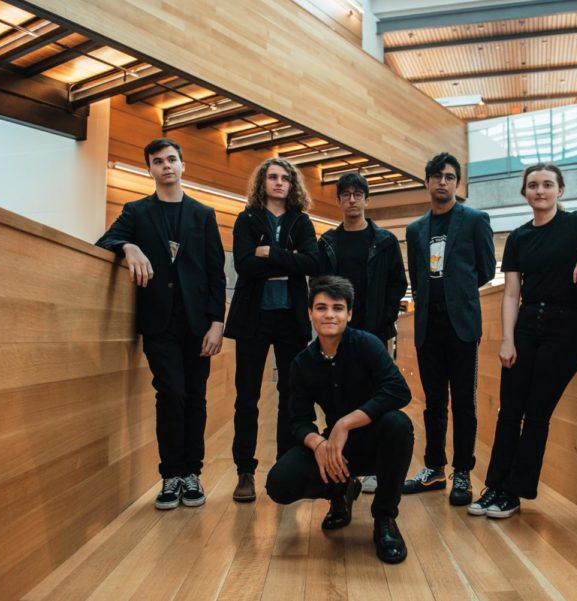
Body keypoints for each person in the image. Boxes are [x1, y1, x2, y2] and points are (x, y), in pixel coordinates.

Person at [468, 163, 577, 519]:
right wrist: (507, 340)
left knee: (536, 414)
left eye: (548, 185)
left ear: (560, 190)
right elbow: (511, 294)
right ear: (525, 193)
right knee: (508, 411)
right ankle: (495, 486)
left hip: (566, 329)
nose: (540, 191)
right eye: (533, 185)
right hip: (527, 327)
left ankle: (514, 493)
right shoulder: (518, 237)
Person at [96, 138, 226, 510]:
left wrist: (217, 323)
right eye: (158, 161)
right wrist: (128, 247)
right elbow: (105, 239)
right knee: (171, 395)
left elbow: (216, 273)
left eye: (172, 159)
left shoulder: (203, 214)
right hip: (158, 323)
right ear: (150, 169)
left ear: (183, 165)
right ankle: (171, 475)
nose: (166, 166)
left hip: (198, 325)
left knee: (195, 398)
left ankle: (192, 473)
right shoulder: (136, 212)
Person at [266, 276, 414, 564]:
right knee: (279, 483)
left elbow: (398, 390)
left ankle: (384, 519)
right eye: (321, 308)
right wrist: (319, 444)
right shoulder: (302, 363)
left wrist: (345, 423)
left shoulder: (367, 344)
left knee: (398, 424)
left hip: (376, 441)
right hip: (336, 449)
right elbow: (297, 420)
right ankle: (341, 492)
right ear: (310, 314)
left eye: (337, 308)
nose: (329, 315)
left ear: (349, 313)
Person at [403, 152, 496, 506]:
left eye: (449, 176)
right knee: (433, 403)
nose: (443, 181)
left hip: (462, 324)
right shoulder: (415, 230)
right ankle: (434, 468)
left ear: (457, 183)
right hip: (429, 324)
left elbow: (485, 269)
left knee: (465, 404)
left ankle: (462, 473)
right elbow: (416, 274)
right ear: (426, 181)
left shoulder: (474, 220)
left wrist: (458, 292)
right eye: (437, 176)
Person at [224, 157, 319, 503]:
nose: (279, 183)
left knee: (290, 396)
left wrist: (270, 253)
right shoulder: (246, 219)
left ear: (292, 185)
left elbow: (313, 263)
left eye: (285, 178)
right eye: (273, 177)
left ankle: (284, 467)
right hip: (254, 319)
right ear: (262, 182)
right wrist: (287, 260)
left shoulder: (302, 221)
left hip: (290, 319)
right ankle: (245, 471)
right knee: (246, 396)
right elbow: (245, 265)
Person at [318, 172, 408, 494]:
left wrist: (383, 319)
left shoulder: (384, 242)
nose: (352, 200)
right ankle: (343, 468)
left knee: (375, 396)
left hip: (374, 332)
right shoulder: (327, 242)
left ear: (367, 200)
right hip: (336, 334)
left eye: (358, 194)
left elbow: (399, 282)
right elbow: (319, 285)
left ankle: (373, 466)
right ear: (339, 200)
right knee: (338, 395)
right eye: (346, 195)